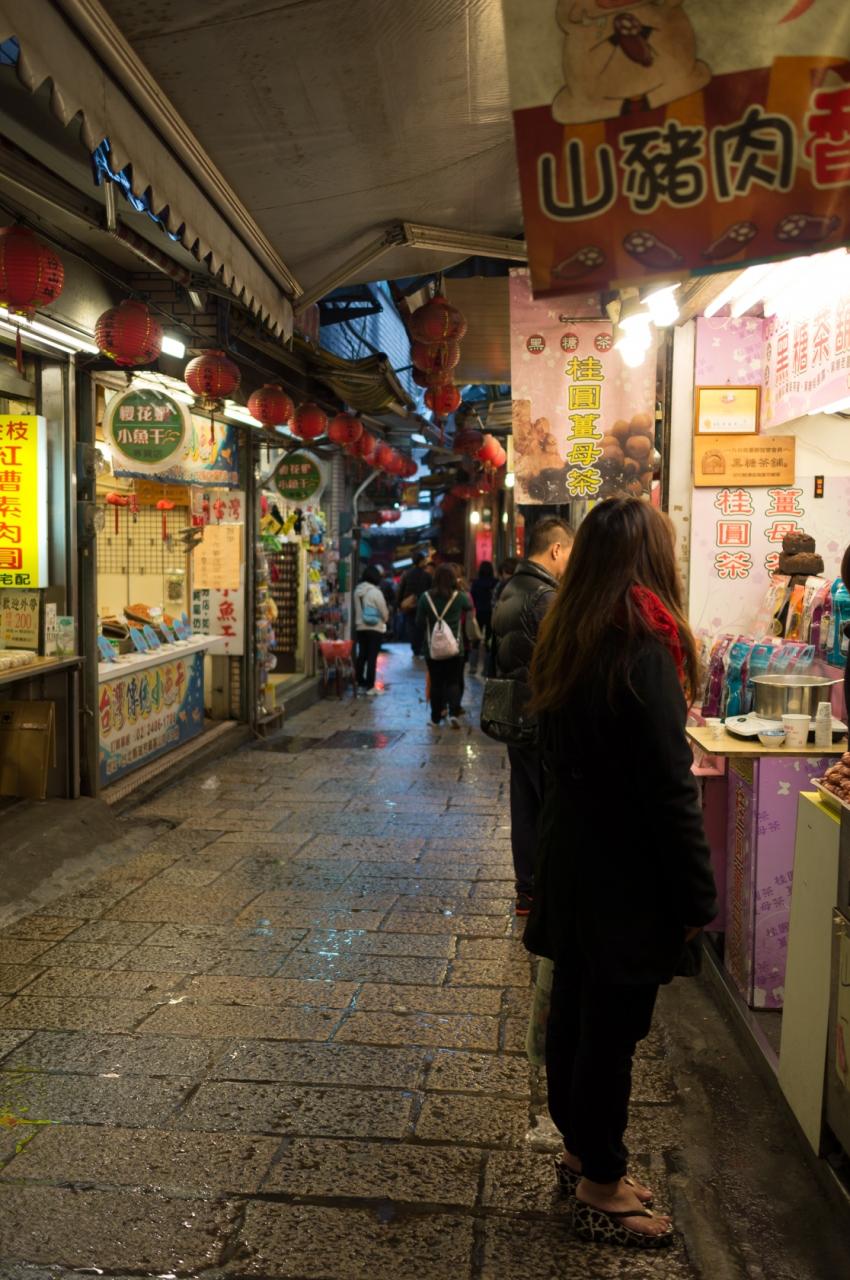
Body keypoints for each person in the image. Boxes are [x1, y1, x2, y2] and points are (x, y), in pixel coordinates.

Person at [526, 497, 717, 1249]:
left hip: (574, 862)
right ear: (651, 560)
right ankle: (601, 1186)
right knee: (611, 1033)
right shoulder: (643, 646)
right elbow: (671, 790)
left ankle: (584, 1155)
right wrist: (697, 896)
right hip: (624, 880)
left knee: (577, 1015)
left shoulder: (568, 637)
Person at [492, 518, 573, 915]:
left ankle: (527, 890)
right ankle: (546, 888)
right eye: (570, 553)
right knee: (547, 806)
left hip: (516, 714)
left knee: (524, 803)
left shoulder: (510, 588)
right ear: (556, 549)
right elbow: (562, 662)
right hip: (541, 717)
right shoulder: (545, 597)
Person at [416, 562, 473, 729]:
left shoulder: (425, 597)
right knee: (453, 681)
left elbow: (419, 622)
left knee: (436, 683)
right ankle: (453, 713)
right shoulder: (459, 597)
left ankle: (435, 718)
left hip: (432, 649)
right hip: (455, 648)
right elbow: (469, 606)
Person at [353, 564, 389, 696]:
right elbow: (384, 611)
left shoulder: (357, 591)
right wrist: (386, 619)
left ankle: (359, 682)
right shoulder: (376, 592)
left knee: (362, 655)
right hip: (374, 628)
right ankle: (370, 686)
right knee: (372, 657)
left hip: (360, 627)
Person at [398, 552, 431, 657]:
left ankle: (414, 647)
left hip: (409, 605)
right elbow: (431, 591)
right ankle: (419, 647)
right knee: (421, 627)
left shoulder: (406, 574)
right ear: (421, 561)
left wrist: (398, 604)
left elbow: (400, 590)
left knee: (411, 626)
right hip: (423, 605)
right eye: (424, 560)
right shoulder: (427, 575)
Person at [469, 561, 496, 675]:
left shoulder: (476, 583)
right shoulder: (495, 582)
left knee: (476, 639)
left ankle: (473, 667)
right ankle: (486, 669)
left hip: (478, 612)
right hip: (491, 613)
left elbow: (472, 597)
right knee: (489, 641)